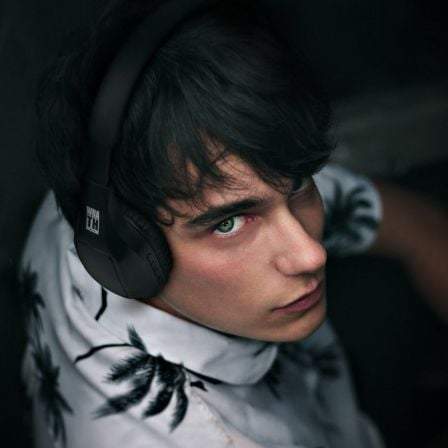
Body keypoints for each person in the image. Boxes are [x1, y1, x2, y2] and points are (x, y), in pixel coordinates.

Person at [20, 0, 448, 447]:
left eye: (300, 184)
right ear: (126, 251)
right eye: (229, 224)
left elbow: (422, 229)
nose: (311, 254)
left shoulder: (138, 175)